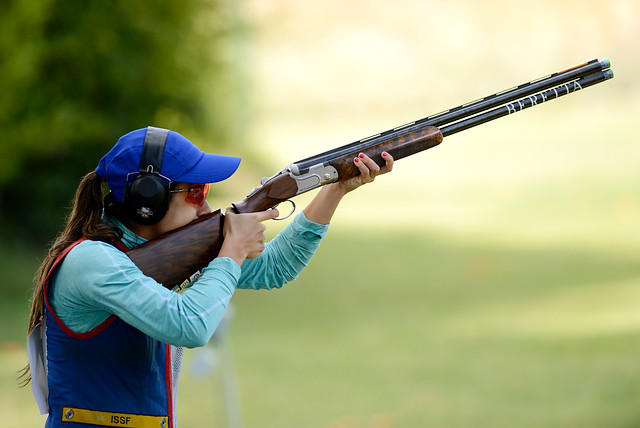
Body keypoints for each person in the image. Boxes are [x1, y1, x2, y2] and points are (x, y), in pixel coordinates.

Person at [22, 126, 394, 427]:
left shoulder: (170, 251)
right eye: (196, 191)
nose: (206, 201)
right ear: (146, 200)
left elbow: (278, 267)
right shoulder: (90, 261)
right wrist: (230, 251)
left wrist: (335, 188)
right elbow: (188, 325)